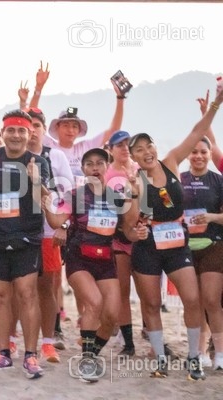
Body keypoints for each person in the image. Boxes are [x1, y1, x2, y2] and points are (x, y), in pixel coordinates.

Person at [128, 86, 223, 380]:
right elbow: (131, 226)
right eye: (139, 150)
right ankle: (160, 360)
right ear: (133, 156)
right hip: (148, 248)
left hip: (178, 242)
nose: (146, 152)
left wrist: (216, 105)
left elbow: (197, 133)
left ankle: (194, 357)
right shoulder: (135, 181)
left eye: (149, 146)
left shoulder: (170, 162)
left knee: (192, 299)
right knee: (151, 304)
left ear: (155, 147)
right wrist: (135, 206)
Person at [43, 148, 139, 383]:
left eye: (99, 163)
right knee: (94, 302)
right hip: (79, 259)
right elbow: (56, 221)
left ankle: (93, 353)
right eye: (89, 164)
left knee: (112, 315)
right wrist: (46, 205)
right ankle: (86, 360)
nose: (95, 168)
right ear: (83, 169)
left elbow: (129, 229)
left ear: (107, 166)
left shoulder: (117, 197)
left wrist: (134, 195)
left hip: (106, 261)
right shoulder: (74, 196)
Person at [0, 110, 49, 378]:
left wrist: (36, 181)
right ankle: (3, 353)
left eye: (21, 131)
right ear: (3, 132)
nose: (16, 135)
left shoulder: (38, 161)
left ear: (30, 134)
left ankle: (31, 355)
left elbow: (46, 199)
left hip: (27, 238)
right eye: (11, 130)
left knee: (27, 295)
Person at [25, 107, 74, 363]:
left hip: (47, 230)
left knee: (47, 288)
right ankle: (13, 342)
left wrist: (63, 226)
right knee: (20, 289)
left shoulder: (55, 155)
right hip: (18, 229)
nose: (32, 130)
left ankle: (48, 341)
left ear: (45, 130)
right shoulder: (12, 155)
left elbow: (69, 195)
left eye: (37, 125)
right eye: (28, 126)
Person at [181, 136, 223, 370]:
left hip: (213, 245)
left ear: (209, 155)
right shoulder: (178, 179)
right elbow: (167, 210)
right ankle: (199, 352)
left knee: (212, 300)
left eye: (203, 152)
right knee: (193, 302)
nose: (198, 156)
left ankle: (220, 355)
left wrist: (211, 217)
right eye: (194, 152)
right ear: (187, 154)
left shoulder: (219, 181)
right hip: (184, 248)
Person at [104, 130, 139, 356]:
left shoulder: (140, 169)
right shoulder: (106, 174)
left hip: (142, 237)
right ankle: (129, 343)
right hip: (118, 238)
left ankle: (154, 337)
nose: (125, 148)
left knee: (148, 295)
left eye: (127, 144)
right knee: (123, 291)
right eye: (119, 145)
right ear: (111, 149)